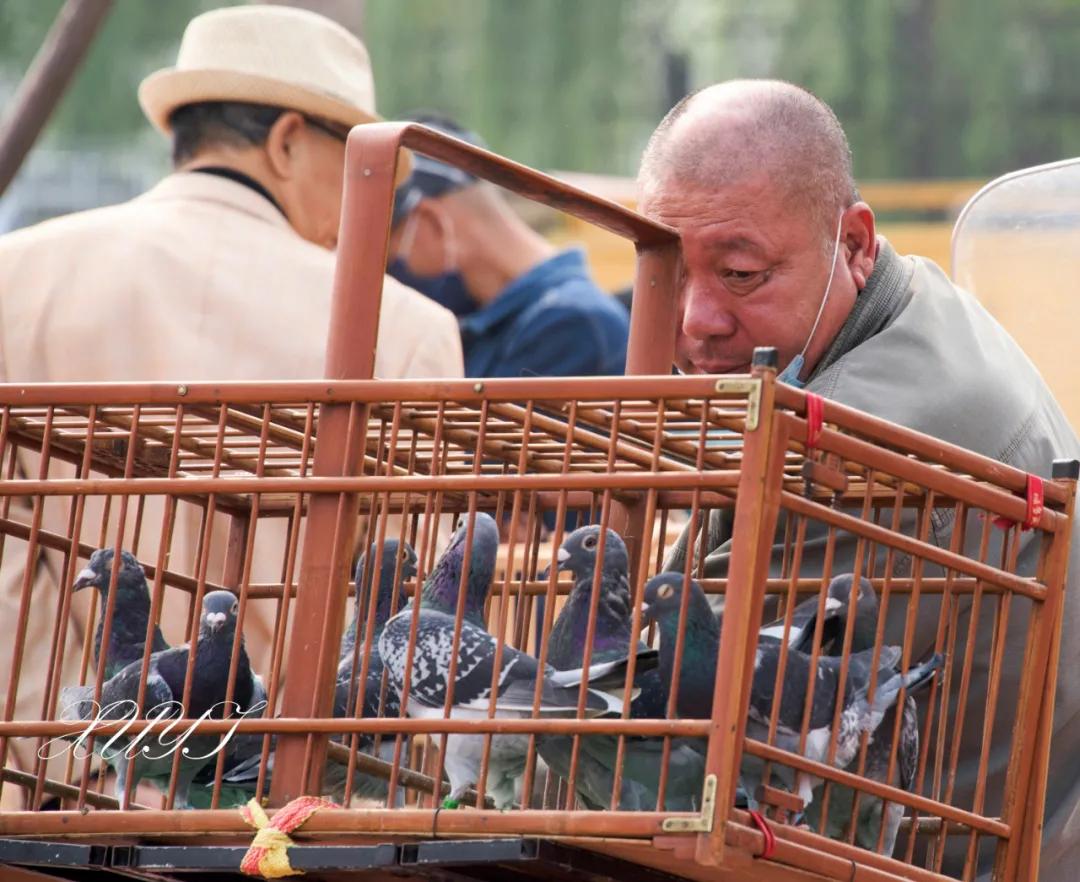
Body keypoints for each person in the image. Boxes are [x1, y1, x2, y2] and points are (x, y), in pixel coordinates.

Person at [0, 4, 462, 807]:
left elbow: (12, 577)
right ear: (287, 140)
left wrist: (54, 775)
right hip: (285, 812)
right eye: (353, 161)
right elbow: (392, 612)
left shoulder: (17, 275)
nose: (365, 200)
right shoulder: (406, 326)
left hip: (56, 792)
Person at [640, 80, 1080, 877]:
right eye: (667, 271)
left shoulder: (840, 445)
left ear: (852, 243)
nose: (697, 318)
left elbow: (676, 720)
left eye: (741, 274)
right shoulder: (917, 303)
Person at [387, 113, 630, 378]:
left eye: (385, 256)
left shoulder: (570, 327)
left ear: (433, 224)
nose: (386, 277)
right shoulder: (511, 327)